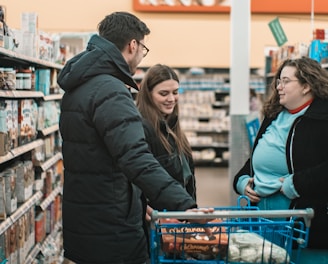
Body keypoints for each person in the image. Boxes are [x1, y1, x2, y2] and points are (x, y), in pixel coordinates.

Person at [58, 12, 212, 264]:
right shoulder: (111, 90)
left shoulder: (79, 85)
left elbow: (100, 158)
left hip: (85, 218)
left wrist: (141, 203)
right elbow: (136, 158)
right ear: (133, 45)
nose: (141, 55)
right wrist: (186, 207)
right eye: (143, 48)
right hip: (112, 226)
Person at [233, 56, 328, 263]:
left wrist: (296, 184)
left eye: (286, 81)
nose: (279, 87)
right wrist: (241, 180)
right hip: (263, 222)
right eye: (278, 81)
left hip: (301, 225)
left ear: (306, 85)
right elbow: (257, 157)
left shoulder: (322, 119)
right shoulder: (274, 115)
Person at [136, 64, 197, 211]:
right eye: (163, 94)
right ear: (148, 94)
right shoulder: (142, 128)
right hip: (160, 218)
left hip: (179, 215)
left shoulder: (172, 125)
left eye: (175, 92)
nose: (171, 99)